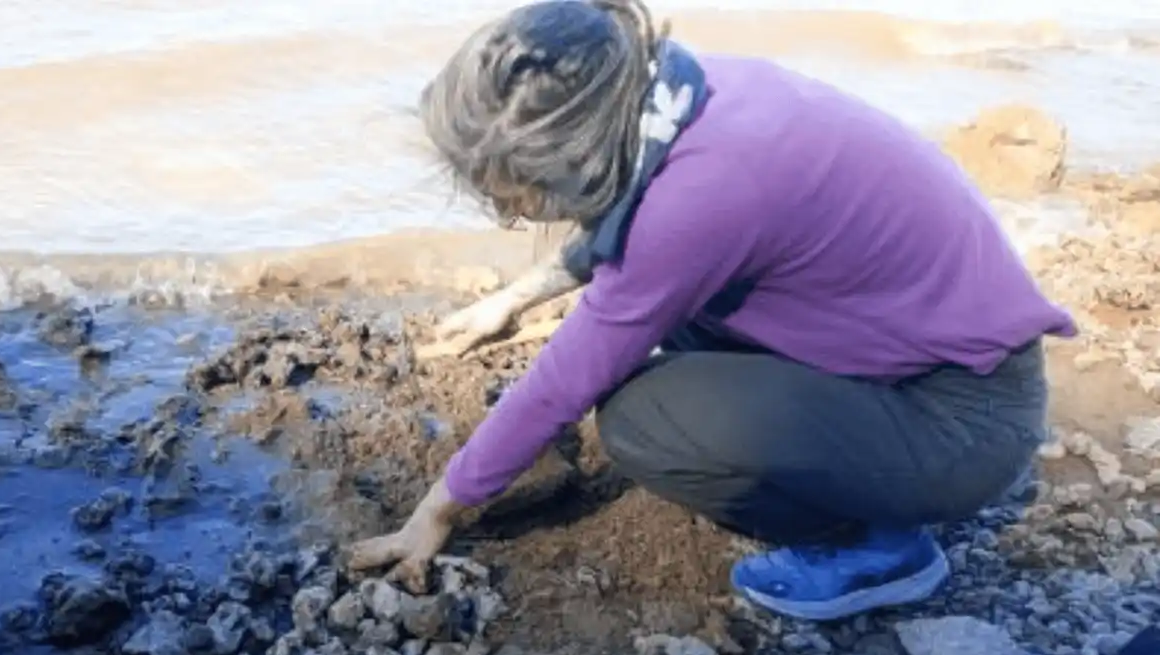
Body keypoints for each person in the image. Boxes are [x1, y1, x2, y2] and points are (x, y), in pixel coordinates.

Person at [350, 0, 1076, 622]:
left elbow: (568, 376)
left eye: (517, 192)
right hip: (929, 360)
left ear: (579, 149)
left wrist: (437, 510)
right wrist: (511, 300)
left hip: (961, 424)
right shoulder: (678, 92)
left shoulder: (705, 194)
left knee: (642, 421)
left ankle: (880, 547)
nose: (510, 210)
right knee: (677, 323)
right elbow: (634, 225)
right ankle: (862, 486)